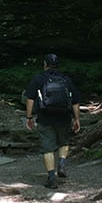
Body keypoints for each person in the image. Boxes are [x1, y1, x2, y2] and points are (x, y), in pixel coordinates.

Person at [25, 54, 81, 189]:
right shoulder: (66, 79)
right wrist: (77, 119)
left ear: (45, 64)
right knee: (64, 142)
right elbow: (75, 101)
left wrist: (29, 117)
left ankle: (51, 177)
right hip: (64, 117)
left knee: (47, 147)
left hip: (45, 117)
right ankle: (61, 163)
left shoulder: (38, 79)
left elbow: (30, 99)